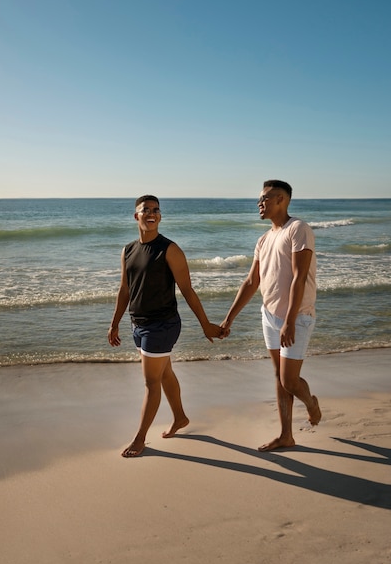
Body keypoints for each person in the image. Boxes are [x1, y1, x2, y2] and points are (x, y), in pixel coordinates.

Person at [108, 195, 225, 457]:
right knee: (164, 374)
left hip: (162, 325)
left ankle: (140, 438)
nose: (151, 213)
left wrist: (205, 325)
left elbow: (188, 291)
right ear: (135, 216)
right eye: (145, 210)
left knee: (151, 382)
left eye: (156, 210)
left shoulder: (169, 249)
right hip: (138, 324)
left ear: (160, 216)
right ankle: (180, 417)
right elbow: (124, 290)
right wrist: (114, 323)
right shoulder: (127, 250)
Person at [221, 180, 321, 451]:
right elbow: (251, 282)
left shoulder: (298, 229)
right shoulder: (263, 239)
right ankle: (286, 435)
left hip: (296, 316)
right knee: (279, 377)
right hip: (269, 314)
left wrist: (289, 321)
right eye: (259, 199)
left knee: (289, 380)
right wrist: (229, 318)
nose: (259, 203)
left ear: (282, 199)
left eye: (265, 198)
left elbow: (299, 278)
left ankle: (311, 403)